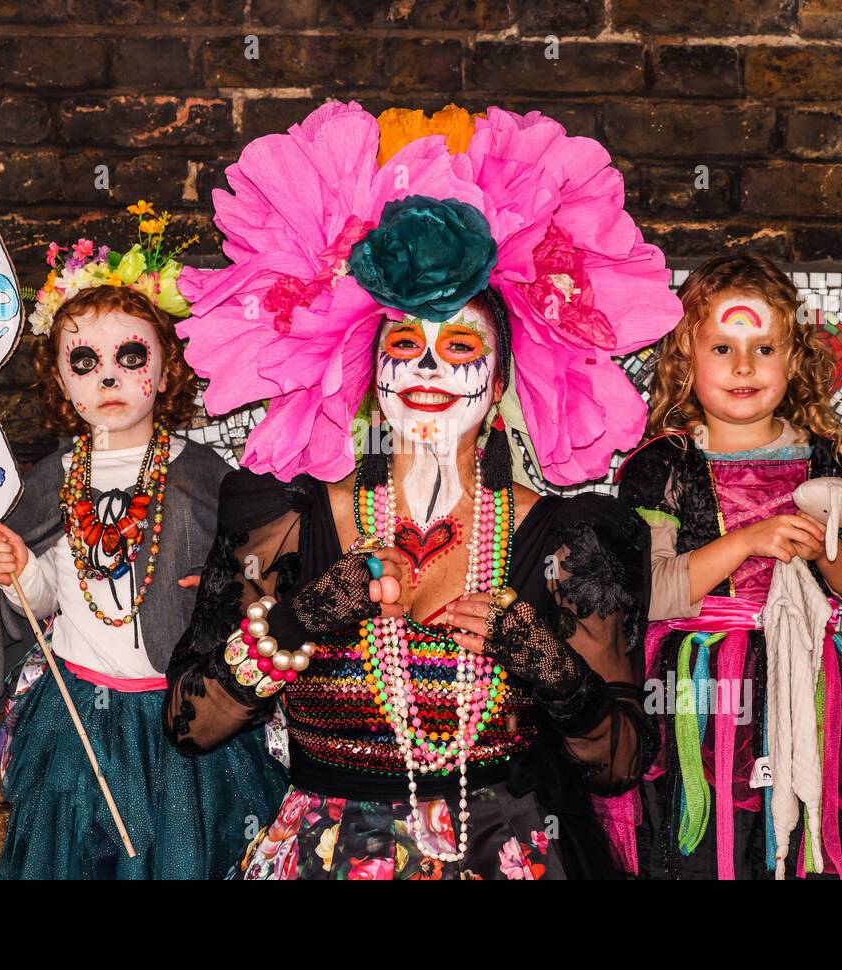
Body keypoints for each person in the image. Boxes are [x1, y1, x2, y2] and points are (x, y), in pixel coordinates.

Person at [161, 100, 684, 879]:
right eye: (406, 342)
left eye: (460, 345)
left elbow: (622, 762)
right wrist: (303, 619)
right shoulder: (285, 520)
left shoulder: (573, 540)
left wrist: (538, 658)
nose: (431, 367)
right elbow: (188, 724)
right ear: (373, 371)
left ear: (499, 379)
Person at [0, 204, 287, 879]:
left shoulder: (207, 478)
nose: (108, 377)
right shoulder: (52, 481)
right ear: (60, 381)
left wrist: (221, 599)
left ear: (167, 371)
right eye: (84, 362)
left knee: (183, 856)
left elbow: (253, 580)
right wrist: (18, 570)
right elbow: (49, 596)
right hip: (81, 713)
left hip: (182, 719)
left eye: (130, 356)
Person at [612, 252, 842, 879]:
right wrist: (747, 540)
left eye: (764, 350)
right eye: (722, 349)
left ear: (793, 362)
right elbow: (658, 597)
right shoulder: (662, 468)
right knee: (712, 838)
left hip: (810, 685)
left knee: (800, 845)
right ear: (686, 358)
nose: (744, 367)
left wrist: (829, 550)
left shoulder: (835, 461)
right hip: (698, 690)